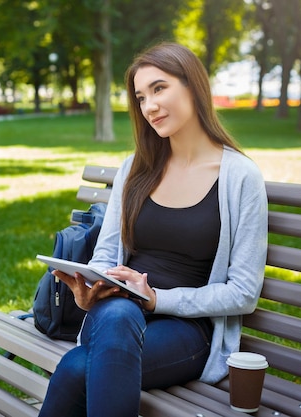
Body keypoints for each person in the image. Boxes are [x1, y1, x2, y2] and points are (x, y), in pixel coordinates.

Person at [38, 42, 268, 417]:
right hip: (115, 313)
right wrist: (92, 290)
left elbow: (243, 293)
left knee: (77, 367)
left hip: (186, 331)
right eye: (141, 97)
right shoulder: (135, 168)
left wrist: (157, 299)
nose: (149, 106)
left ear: (193, 86)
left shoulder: (240, 177)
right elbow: (106, 254)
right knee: (116, 315)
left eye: (159, 88)